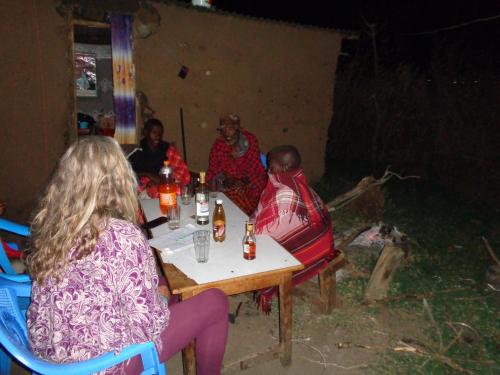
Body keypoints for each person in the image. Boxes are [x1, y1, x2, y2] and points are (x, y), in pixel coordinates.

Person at [26, 136, 228, 374]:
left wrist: (157, 293)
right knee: (215, 301)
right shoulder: (122, 235)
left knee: (172, 283)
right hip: (104, 364)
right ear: (119, 179)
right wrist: (159, 300)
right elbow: (148, 325)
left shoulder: (53, 226)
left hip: (51, 357)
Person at [250, 145, 336, 312]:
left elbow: (263, 232)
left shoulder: (285, 192)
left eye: (271, 166)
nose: (268, 170)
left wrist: (250, 227)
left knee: (253, 249)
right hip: (322, 239)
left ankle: (262, 284)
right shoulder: (296, 180)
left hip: (316, 248)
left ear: (284, 167)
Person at [206, 114, 267, 215]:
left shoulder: (250, 141)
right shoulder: (219, 144)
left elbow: (255, 169)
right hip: (227, 183)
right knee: (211, 200)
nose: (225, 133)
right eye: (222, 129)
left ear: (237, 127)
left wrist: (241, 181)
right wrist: (221, 181)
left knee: (238, 197)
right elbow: (213, 169)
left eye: (229, 128)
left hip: (250, 181)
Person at [129, 118, 191, 197]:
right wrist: (147, 174)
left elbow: (183, 172)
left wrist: (162, 179)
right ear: (146, 132)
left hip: (163, 183)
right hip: (143, 188)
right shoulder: (137, 150)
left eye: (160, 133)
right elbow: (127, 172)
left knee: (177, 191)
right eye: (154, 133)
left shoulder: (167, 148)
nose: (158, 136)